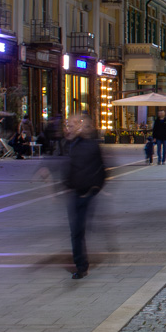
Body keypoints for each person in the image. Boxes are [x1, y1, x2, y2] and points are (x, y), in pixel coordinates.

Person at [63, 113, 106, 280]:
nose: (70, 127)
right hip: (74, 192)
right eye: (69, 124)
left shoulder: (92, 145)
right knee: (76, 231)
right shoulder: (71, 144)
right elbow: (66, 165)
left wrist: (96, 187)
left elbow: (102, 168)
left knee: (79, 230)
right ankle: (81, 266)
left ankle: (82, 265)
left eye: (73, 124)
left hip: (87, 193)